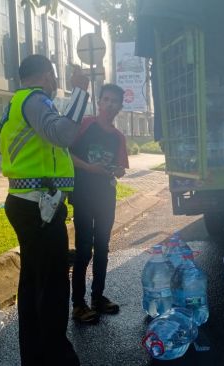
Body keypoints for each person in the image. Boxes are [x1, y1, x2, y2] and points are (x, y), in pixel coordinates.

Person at [0, 54, 89, 366]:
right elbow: (62, 133)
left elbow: (53, 137)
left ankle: (36, 356)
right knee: (51, 285)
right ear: (48, 75)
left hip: (30, 203)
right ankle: (56, 357)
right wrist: (79, 93)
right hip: (38, 207)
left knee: (34, 284)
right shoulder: (34, 100)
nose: (55, 84)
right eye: (54, 77)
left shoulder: (19, 102)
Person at [70, 84, 129, 323]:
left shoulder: (118, 137)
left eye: (114, 101)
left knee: (102, 247)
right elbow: (67, 153)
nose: (109, 105)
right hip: (83, 194)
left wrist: (116, 170)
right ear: (99, 102)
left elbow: (122, 169)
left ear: (120, 107)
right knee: (84, 249)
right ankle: (78, 304)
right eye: (106, 100)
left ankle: (97, 297)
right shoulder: (85, 125)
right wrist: (89, 168)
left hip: (106, 196)